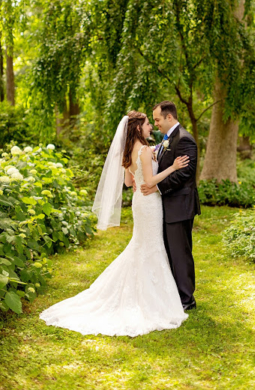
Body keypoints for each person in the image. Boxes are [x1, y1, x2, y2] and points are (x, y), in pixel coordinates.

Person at [39, 111, 189, 337]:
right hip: (150, 203)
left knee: (142, 245)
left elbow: (130, 183)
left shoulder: (129, 151)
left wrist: (141, 176)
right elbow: (149, 181)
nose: (151, 127)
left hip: (140, 202)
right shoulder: (146, 150)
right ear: (138, 128)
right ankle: (152, 299)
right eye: (148, 124)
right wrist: (172, 168)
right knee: (150, 246)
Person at [141, 101, 201, 311]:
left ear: (169, 117)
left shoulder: (184, 140)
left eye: (157, 119)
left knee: (180, 252)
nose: (155, 123)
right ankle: (176, 294)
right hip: (169, 205)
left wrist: (156, 188)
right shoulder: (167, 140)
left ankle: (187, 299)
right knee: (170, 251)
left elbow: (184, 174)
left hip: (180, 205)